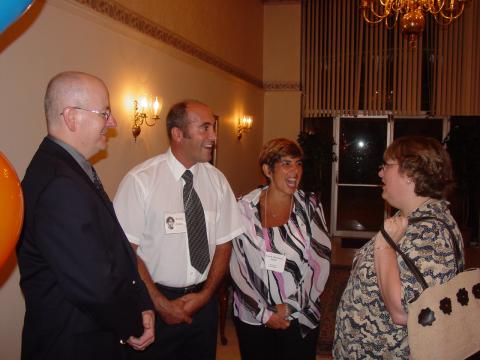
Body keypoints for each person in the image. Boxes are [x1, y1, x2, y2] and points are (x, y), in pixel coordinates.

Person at [17, 71, 155, 360]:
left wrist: (142, 302)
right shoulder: (59, 184)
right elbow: (95, 285)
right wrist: (133, 323)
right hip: (73, 344)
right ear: (71, 117)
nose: (113, 122)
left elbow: (114, 251)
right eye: (104, 113)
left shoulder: (68, 170)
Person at [114, 100, 245, 360]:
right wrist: (160, 303)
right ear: (177, 134)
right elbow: (126, 251)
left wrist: (206, 294)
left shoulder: (217, 182)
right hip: (152, 303)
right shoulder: (141, 181)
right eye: (205, 128)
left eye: (213, 128)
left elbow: (224, 243)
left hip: (203, 303)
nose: (214, 136)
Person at [333, 136, 465, 358]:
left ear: (411, 174)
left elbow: (403, 312)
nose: (380, 173)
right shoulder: (409, 218)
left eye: (387, 166)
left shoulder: (431, 234)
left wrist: (384, 246)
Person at [229, 138, 332, 360]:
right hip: (253, 317)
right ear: (267, 169)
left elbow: (320, 262)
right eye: (286, 163)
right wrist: (264, 313)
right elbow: (236, 266)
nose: (295, 170)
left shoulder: (310, 206)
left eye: (298, 163)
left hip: (299, 314)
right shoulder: (243, 208)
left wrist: (288, 307)